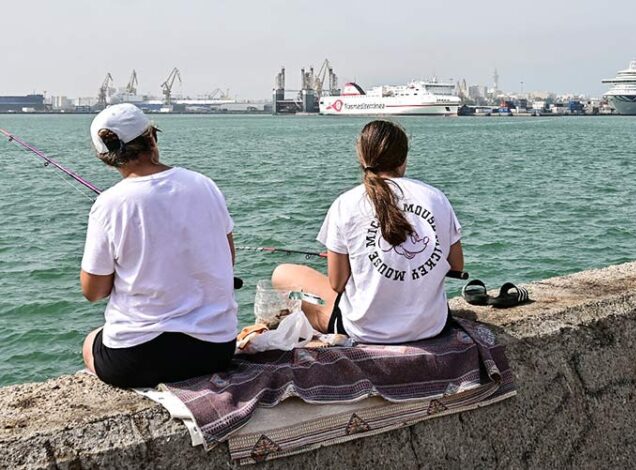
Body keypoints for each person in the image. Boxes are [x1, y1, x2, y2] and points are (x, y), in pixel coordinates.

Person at [80, 103, 237, 388]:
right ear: (151, 137)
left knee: (90, 342)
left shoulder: (109, 204)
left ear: (106, 158)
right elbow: (229, 258)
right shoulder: (204, 185)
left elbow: (93, 291)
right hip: (215, 349)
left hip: (137, 359)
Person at [273, 120, 464, 344]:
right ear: (403, 160)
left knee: (282, 275)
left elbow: (337, 283)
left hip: (364, 332)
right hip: (431, 327)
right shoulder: (435, 198)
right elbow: (457, 265)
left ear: (362, 157)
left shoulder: (345, 203)